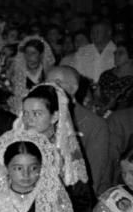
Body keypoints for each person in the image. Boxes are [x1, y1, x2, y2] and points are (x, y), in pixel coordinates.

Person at [16, 84, 94, 212]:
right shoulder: (15, 147)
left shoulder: (65, 155)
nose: (29, 119)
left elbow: (82, 204)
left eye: (37, 114)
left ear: (55, 116)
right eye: (26, 113)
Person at [46, 66, 111, 195]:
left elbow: (94, 174)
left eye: (56, 83)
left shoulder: (94, 124)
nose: (48, 87)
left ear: (73, 88)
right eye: (46, 82)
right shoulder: (42, 117)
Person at [72, 19, 115, 83]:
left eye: (98, 32)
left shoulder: (117, 51)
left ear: (109, 32)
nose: (94, 35)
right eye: (92, 32)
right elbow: (75, 74)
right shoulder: (82, 51)